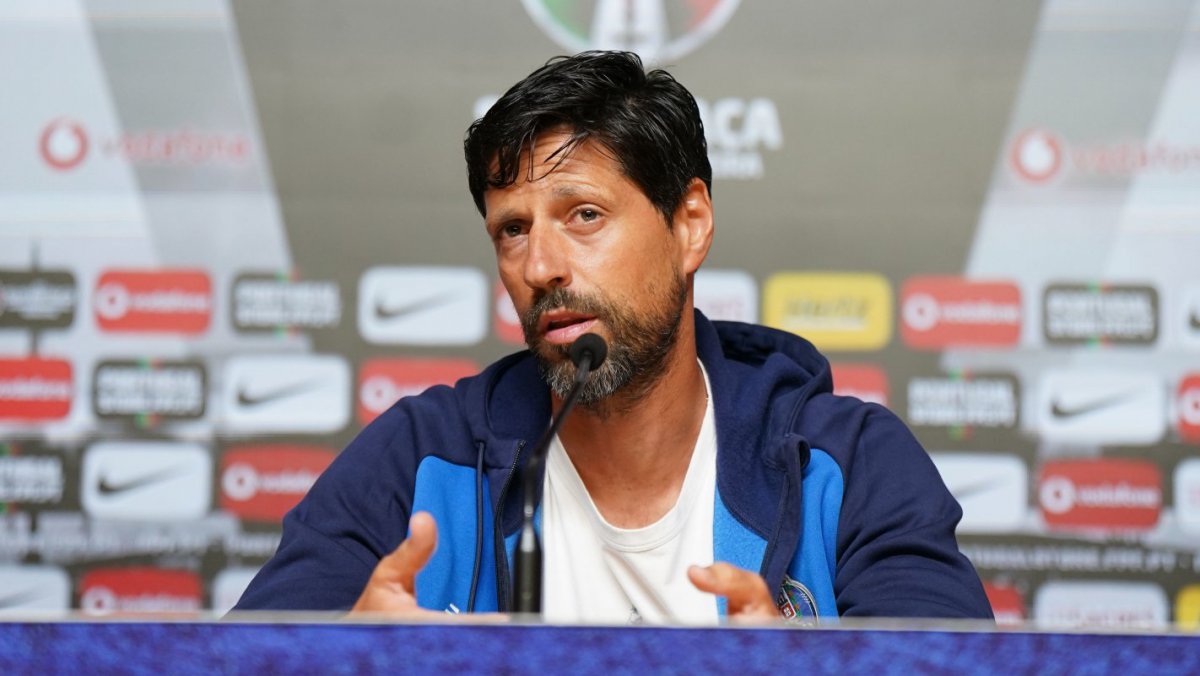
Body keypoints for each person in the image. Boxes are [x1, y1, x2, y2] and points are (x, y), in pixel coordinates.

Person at [234, 51, 993, 623]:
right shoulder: (418, 459)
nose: (540, 266)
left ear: (689, 225)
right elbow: (230, 659)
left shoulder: (849, 465)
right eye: (512, 230)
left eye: (585, 216)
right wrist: (340, 661)